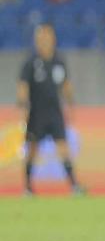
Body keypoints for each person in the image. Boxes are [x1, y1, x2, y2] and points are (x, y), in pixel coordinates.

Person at [17, 25, 85, 196]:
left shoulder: (58, 61)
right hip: (36, 114)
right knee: (32, 150)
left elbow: (65, 84)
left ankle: (74, 185)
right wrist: (23, 106)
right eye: (41, 37)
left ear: (53, 39)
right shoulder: (31, 63)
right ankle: (27, 187)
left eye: (47, 37)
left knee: (63, 147)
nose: (44, 40)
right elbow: (23, 86)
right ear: (36, 40)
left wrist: (70, 102)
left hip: (55, 113)